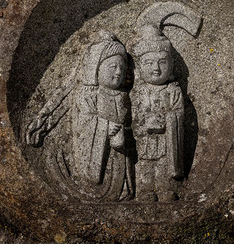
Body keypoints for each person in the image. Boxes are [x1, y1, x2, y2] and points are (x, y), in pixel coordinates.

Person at [70, 31, 133, 200]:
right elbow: (83, 123)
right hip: (98, 149)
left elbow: (128, 122)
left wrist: (124, 132)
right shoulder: (89, 95)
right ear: (98, 69)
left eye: (122, 67)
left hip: (119, 150)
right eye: (113, 67)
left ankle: (122, 189)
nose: (118, 72)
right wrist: (105, 127)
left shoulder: (122, 96)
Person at [129, 24, 184, 202]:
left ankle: (164, 187)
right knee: (145, 164)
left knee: (163, 163)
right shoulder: (137, 92)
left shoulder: (173, 90)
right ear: (139, 67)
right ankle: (145, 189)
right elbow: (132, 119)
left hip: (166, 139)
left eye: (162, 62)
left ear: (171, 65)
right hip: (144, 140)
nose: (156, 69)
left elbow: (178, 113)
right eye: (149, 63)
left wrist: (168, 119)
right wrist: (144, 124)